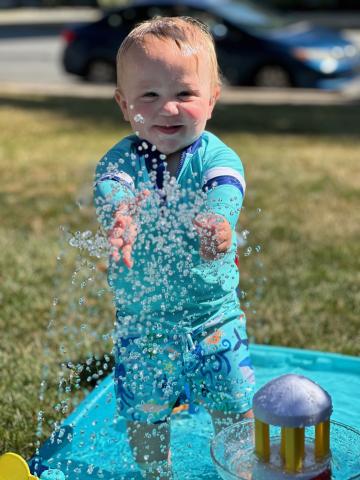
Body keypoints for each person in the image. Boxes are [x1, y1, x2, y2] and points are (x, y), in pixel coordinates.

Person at [93, 16, 255, 480]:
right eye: (149, 96)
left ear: (212, 99)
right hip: (143, 323)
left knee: (234, 405)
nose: (168, 108)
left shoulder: (214, 155)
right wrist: (120, 214)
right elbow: (111, 186)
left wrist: (220, 222)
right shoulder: (122, 159)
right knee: (145, 415)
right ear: (125, 105)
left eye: (184, 94)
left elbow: (227, 186)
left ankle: (240, 470)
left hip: (214, 317)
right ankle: (155, 475)